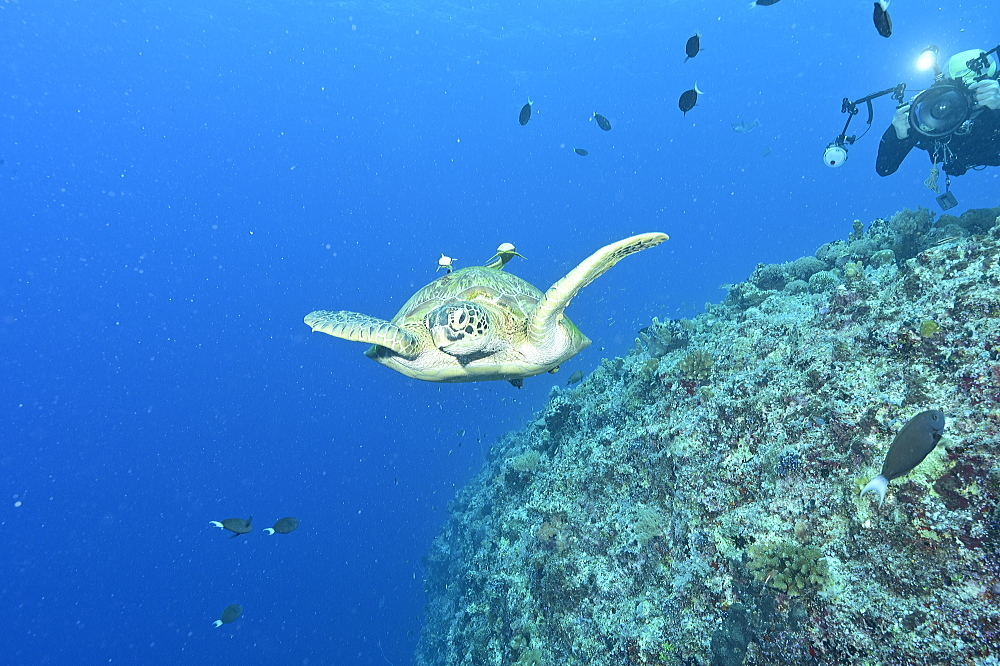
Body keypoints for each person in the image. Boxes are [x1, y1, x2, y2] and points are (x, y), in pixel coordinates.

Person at [876, 49, 1000, 178]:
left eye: (972, 91)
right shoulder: (930, 107)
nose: (962, 100)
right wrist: (898, 137)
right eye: (954, 91)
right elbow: (884, 167)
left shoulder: (995, 98)